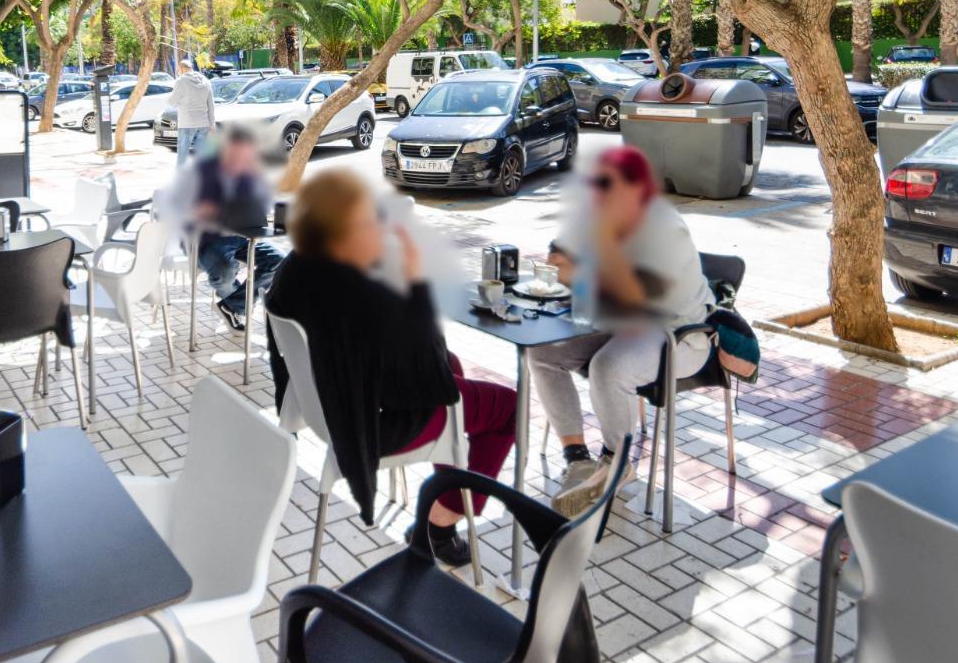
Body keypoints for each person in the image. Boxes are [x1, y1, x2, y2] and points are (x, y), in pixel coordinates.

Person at [266, 168, 516, 566]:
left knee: (454, 365)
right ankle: (439, 527)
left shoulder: (297, 266)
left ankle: (446, 492)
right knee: (510, 408)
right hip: (367, 425)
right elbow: (426, 377)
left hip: (327, 407)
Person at [536, 145, 714, 518]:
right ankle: (578, 458)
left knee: (608, 366)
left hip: (678, 334)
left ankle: (617, 461)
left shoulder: (665, 229)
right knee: (542, 352)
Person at [186, 127, 282, 329]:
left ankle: (233, 305)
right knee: (225, 271)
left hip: (242, 237)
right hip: (207, 240)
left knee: (278, 261)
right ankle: (236, 304)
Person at [171, 59, 214, 165]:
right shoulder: (205, 81)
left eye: (178, 70)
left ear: (180, 69)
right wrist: (211, 124)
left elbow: (172, 101)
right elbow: (211, 105)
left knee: (183, 154)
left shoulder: (180, 81)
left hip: (186, 123)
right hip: (203, 123)